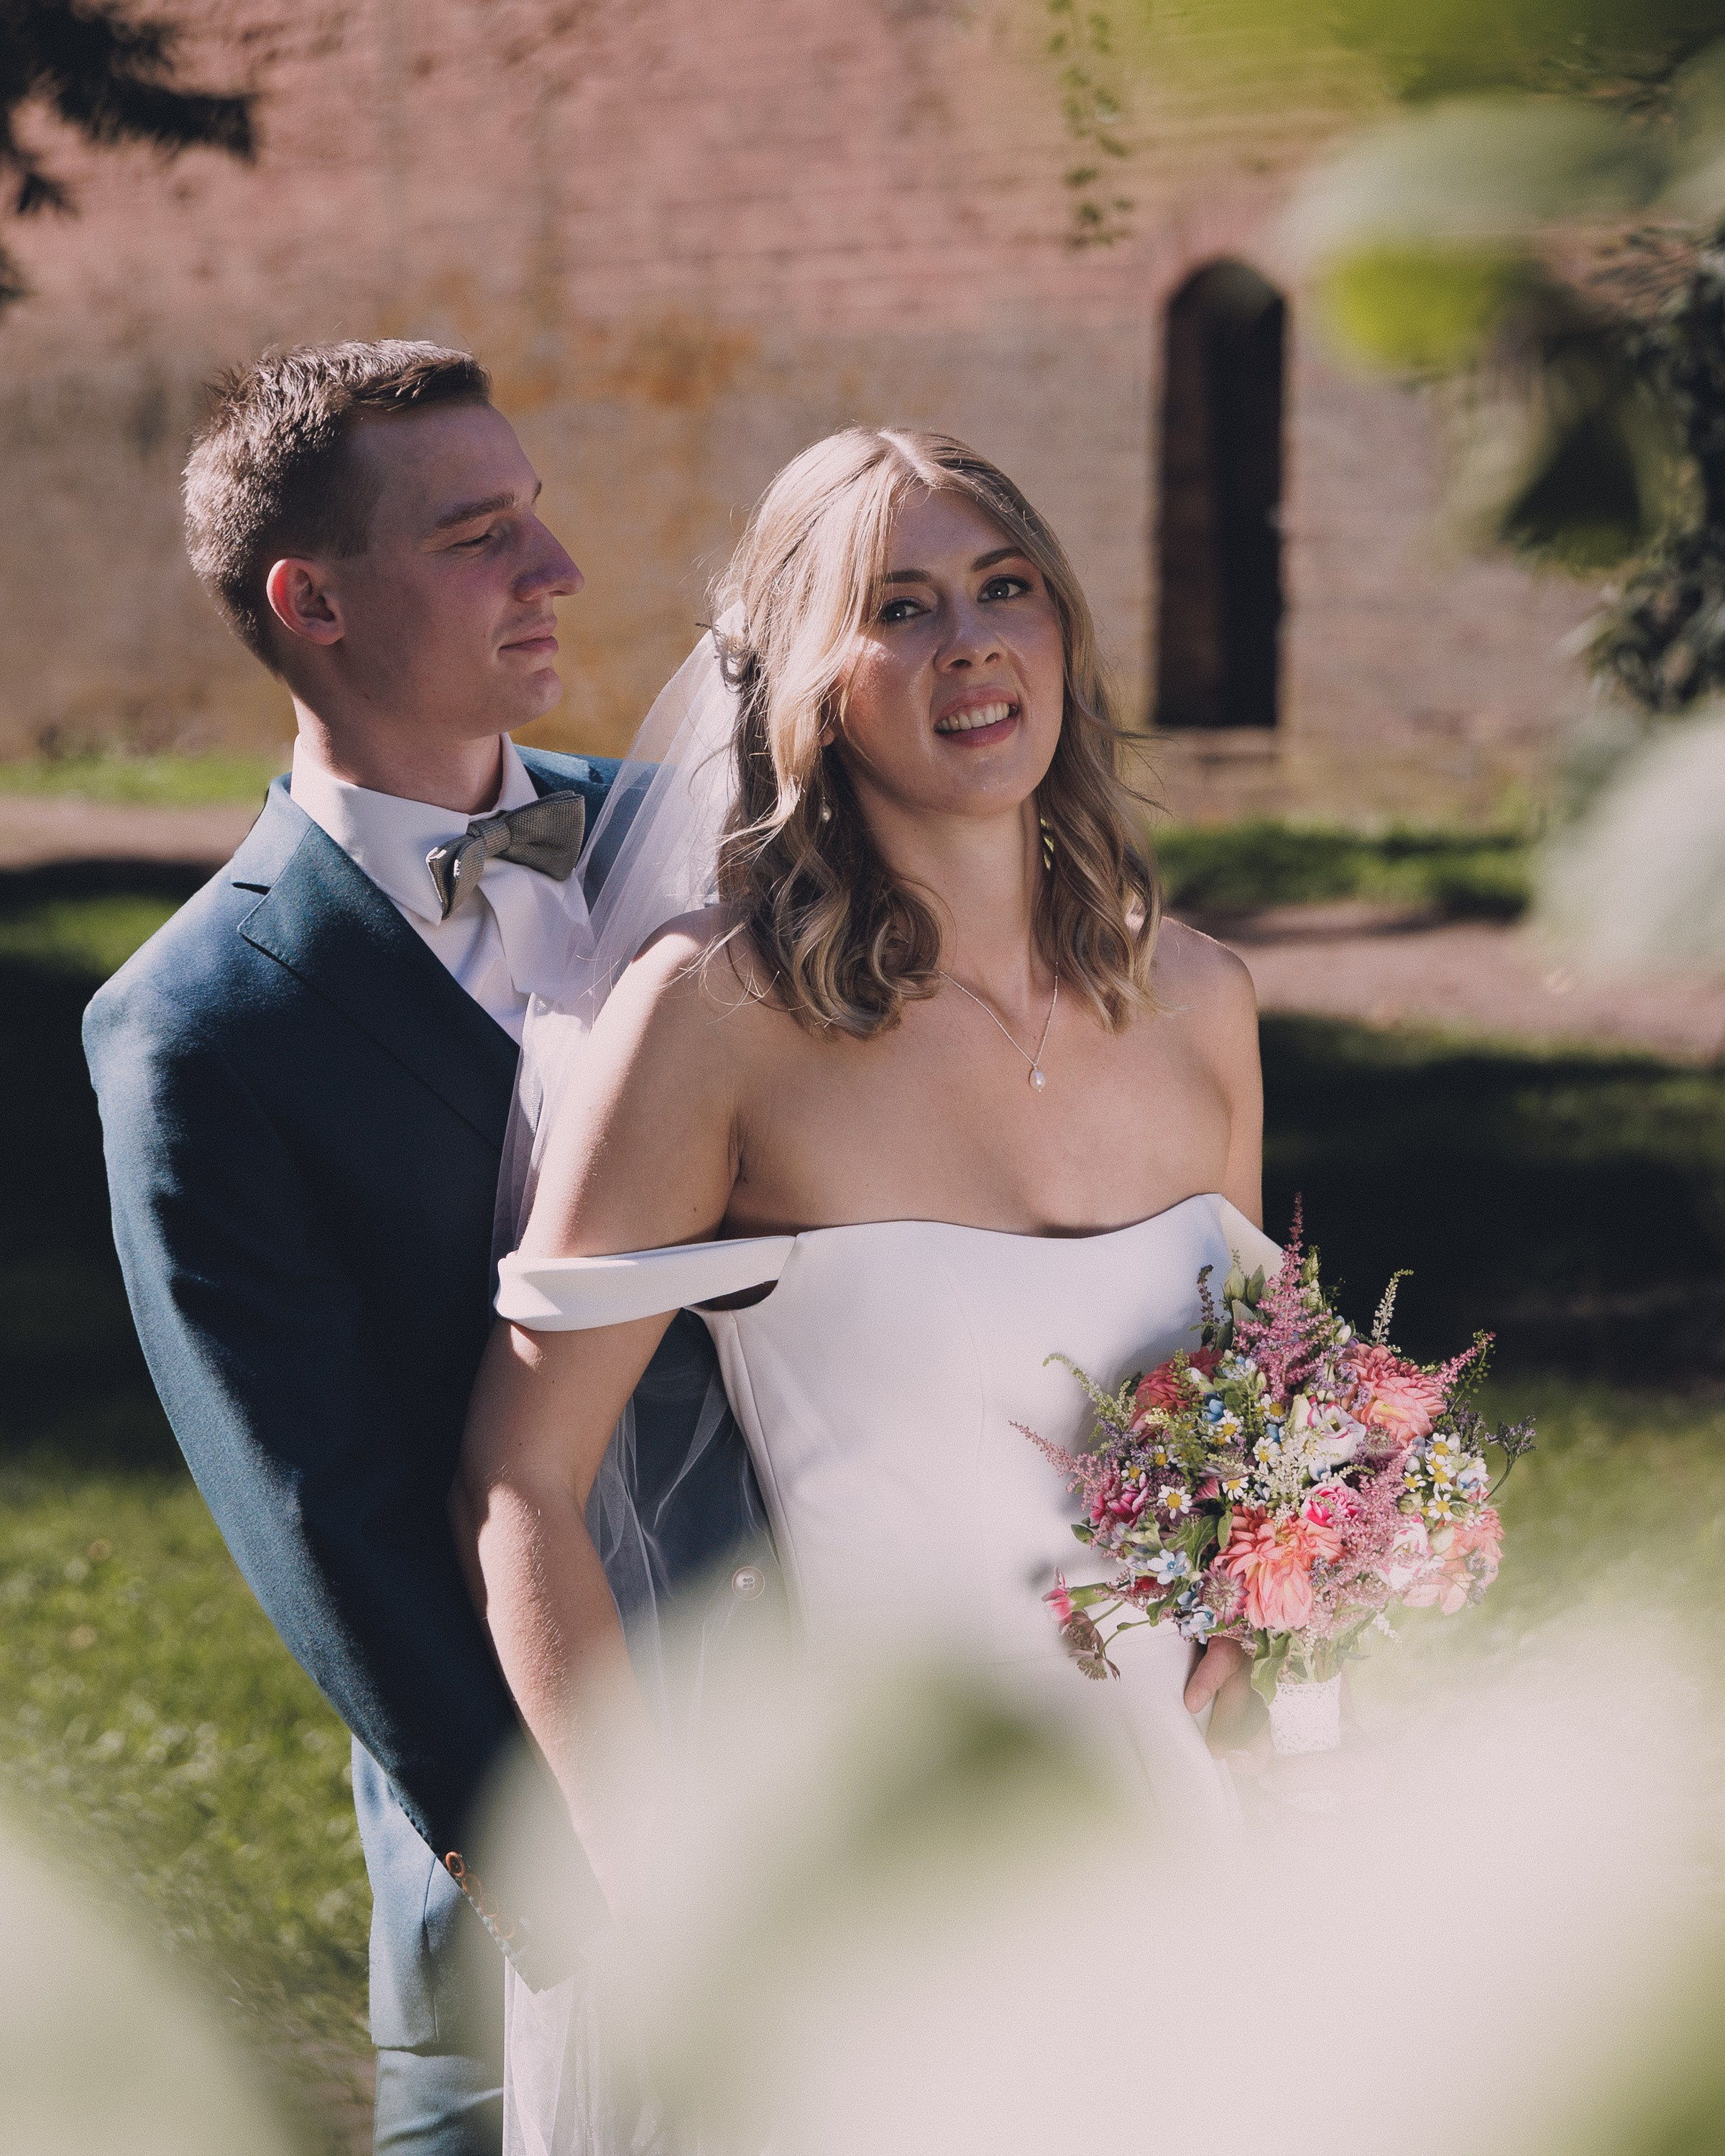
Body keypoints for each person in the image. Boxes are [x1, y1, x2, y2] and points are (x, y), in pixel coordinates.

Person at [454, 426, 1274, 2150]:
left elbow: (1251, 1428)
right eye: (897, 608)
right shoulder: (717, 1022)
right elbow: (522, 1482)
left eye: (1004, 588)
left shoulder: (1201, 1001)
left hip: (1198, 1830)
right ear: (808, 689)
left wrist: (1278, 1613)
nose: (970, 644)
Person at [83, 339, 770, 2156]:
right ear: (312, 602)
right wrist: (577, 1894)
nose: (554, 573)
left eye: (534, 516)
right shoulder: (197, 1028)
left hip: (823, 1709)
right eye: (481, 535)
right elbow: (322, 1521)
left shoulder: (696, 851)